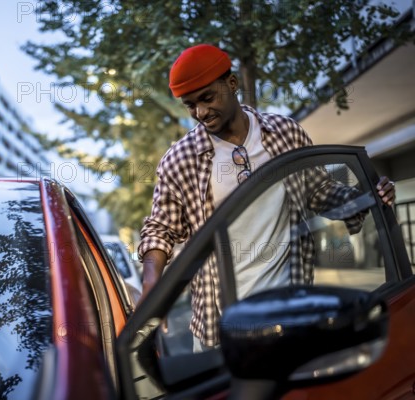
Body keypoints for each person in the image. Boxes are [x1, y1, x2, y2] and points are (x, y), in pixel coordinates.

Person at [138, 44, 396, 349]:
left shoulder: (286, 134)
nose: (200, 112)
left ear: (232, 84)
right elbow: (160, 229)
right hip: (219, 325)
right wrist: (151, 282)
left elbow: (321, 193)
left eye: (207, 98)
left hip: (288, 311)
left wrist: (368, 195)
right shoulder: (179, 159)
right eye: (190, 105)